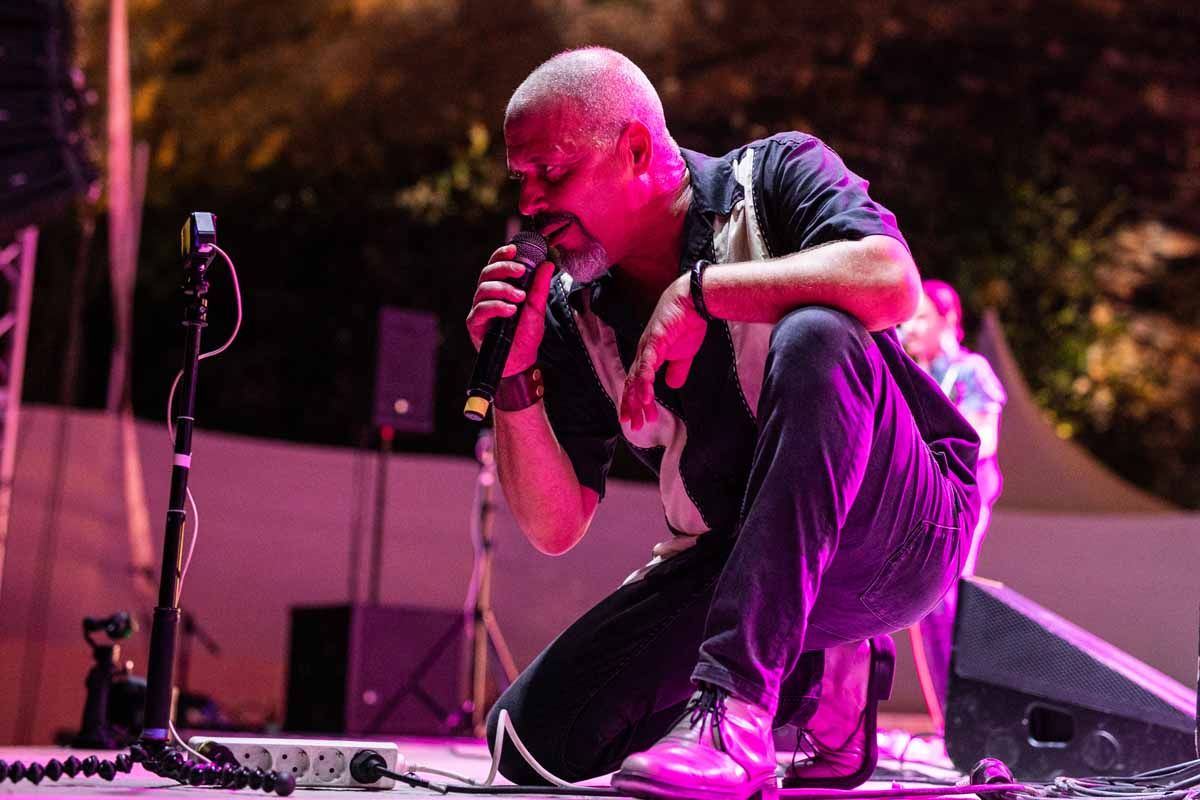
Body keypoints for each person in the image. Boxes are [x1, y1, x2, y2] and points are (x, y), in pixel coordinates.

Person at [465, 47, 981, 800]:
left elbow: (890, 281)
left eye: (553, 172)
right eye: (522, 180)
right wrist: (515, 375)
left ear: (636, 148)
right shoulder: (577, 311)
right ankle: (821, 666)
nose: (532, 203)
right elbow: (554, 525)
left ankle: (737, 712)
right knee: (530, 742)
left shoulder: (774, 175)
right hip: (744, 557)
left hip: (901, 526)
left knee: (819, 334)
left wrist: (701, 292)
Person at [900, 280, 1006, 720]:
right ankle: (947, 722)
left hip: (966, 489)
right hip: (928, 495)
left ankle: (961, 719)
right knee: (924, 602)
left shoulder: (970, 369)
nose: (911, 328)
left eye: (921, 316)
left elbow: (984, 439)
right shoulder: (913, 374)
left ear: (949, 320)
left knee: (944, 594)